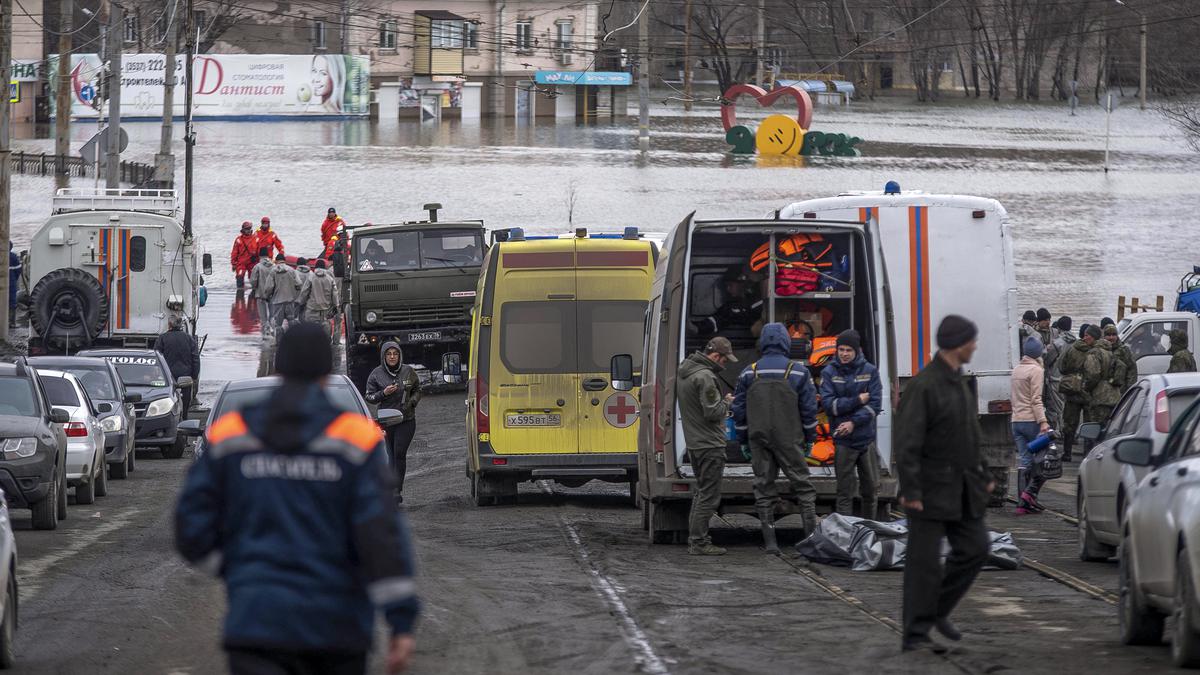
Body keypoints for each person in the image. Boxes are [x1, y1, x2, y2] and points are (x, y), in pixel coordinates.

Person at [174, 324, 418, 675]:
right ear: (325, 373)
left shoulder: (232, 435)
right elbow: (382, 535)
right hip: (337, 629)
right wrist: (401, 621)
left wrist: (237, 569)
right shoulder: (356, 440)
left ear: (279, 369)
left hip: (257, 626)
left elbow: (191, 525)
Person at [896, 315, 992, 655]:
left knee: (976, 548)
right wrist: (910, 490)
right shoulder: (925, 386)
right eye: (972, 340)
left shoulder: (958, 382)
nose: (975, 346)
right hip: (929, 489)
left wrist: (984, 475)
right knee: (923, 564)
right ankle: (915, 635)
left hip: (964, 487)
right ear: (958, 343)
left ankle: (936, 611)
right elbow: (906, 442)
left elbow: (970, 435)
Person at [731, 323, 820, 554]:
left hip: (758, 439)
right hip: (790, 440)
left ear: (763, 343)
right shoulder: (799, 372)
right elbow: (809, 410)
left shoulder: (749, 372)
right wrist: (810, 438)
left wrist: (743, 440)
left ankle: (771, 543)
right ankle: (810, 541)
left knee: (763, 487)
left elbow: (738, 410)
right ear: (785, 342)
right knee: (804, 488)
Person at [677, 336, 737, 556]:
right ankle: (700, 543)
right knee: (709, 496)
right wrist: (727, 402)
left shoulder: (686, 372)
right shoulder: (705, 376)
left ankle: (696, 540)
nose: (725, 363)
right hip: (710, 444)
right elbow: (712, 412)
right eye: (724, 359)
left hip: (695, 443)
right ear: (715, 356)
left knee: (701, 493)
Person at [819, 329, 883, 519]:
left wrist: (853, 422)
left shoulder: (870, 371)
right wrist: (857, 400)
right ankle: (845, 537)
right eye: (841, 350)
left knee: (870, 492)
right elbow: (830, 406)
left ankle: (868, 532)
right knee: (844, 494)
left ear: (858, 351)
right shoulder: (828, 372)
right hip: (843, 443)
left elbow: (875, 405)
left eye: (848, 350)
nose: (844, 354)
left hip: (865, 441)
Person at [364, 342, 422, 503]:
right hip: (387, 421)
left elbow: (418, 389)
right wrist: (383, 393)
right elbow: (368, 397)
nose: (392, 357)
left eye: (395, 354)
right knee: (389, 455)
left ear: (399, 356)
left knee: (399, 453)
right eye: (388, 354)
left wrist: (412, 402)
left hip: (406, 419)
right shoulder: (376, 374)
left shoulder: (408, 371)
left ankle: (397, 489)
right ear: (384, 356)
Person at [1011, 337, 1051, 515]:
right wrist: (1043, 421)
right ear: (1038, 353)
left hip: (1016, 421)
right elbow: (1036, 399)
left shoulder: (1016, 370)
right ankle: (1029, 496)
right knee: (1043, 459)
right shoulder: (1036, 370)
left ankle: (1022, 502)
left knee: (1024, 460)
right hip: (1031, 421)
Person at [1058, 324, 1098, 462]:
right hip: (1088, 392)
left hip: (1072, 390)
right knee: (1088, 424)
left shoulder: (1072, 348)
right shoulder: (1097, 351)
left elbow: (1062, 367)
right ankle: (1086, 454)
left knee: (1069, 423)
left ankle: (1067, 453)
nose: (1087, 337)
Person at [694, 267, 763, 337]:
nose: (728, 289)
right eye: (726, 286)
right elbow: (717, 320)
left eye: (730, 285)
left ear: (742, 283)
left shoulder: (760, 299)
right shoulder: (731, 307)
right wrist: (696, 328)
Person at [154, 314, 200, 413]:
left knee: (167, 399)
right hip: (185, 375)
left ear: (169, 325)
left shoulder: (162, 338)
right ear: (180, 325)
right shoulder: (189, 339)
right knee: (185, 399)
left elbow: (156, 358)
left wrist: (156, 375)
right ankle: (184, 417)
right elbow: (195, 358)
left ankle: (169, 415)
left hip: (168, 375)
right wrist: (194, 376)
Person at [1042, 316, 1074, 437]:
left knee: (1055, 408)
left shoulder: (1057, 343)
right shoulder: (1075, 341)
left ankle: (1057, 432)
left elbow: (1048, 360)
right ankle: (1068, 431)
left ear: (1059, 328)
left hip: (1056, 379)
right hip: (1070, 379)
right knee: (1067, 407)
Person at [1084, 325, 1120, 425]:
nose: (1084, 338)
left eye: (1087, 335)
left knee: (1095, 429)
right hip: (1114, 395)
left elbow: (1093, 375)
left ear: (1093, 337)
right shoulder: (1109, 351)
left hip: (1100, 398)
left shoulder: (1094, 353)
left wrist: (1085, 388)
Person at [299, 259, 339, 339]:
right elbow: (335, 294)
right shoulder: (330, 279)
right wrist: (336, 306)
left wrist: (301, 304)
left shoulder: (311, 278)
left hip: (312, 311)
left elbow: (304, 293)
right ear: (325, 268)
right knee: (325, 337)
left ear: (316, 267)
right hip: (325, 312)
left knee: (310, 336)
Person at [268, 254, 302, 334]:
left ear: (276, 261)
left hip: (277, 301)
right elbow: (299, 283)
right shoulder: (291, 270)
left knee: (278, 324)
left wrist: (268, 296)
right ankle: (292, 338)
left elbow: (269, 287)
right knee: (291, 321)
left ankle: (278, 342)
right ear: (284, 261)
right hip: (290, 301)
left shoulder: (273, 271)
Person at [248, 247, 276, 337]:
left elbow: (253, 280)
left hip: (260, 294)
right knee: (272, 315)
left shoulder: (258, 266)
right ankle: (273, 330)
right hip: (272, 293)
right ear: (268, 255)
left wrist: (254, 288)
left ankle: (265, 332)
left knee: (263, 316)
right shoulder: (273, 266)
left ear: (260, 255)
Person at [1105, 325, 1137, 391]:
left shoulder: (1124, 350)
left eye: (1114, 335)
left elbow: (1132, 370)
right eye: (1108, 335)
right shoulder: (1100, 350)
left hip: (1120, 390)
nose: (1111, 337)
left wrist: (1129, 389)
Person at [230, 222, 258, 289]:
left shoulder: (255, 239)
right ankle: (239, 296)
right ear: (243, 229)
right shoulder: (238, 240)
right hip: (241, 263)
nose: (248, 230)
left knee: (254, 280)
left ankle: (253, 295)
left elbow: (259, 250)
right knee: (239, 278)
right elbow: (234, 252)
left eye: (249, 228)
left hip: (252, 263)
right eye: (246, 229)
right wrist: (233, 263)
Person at [8, 242, 20, 328]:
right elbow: (19, 270)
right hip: (11, 282)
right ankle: (11, 323)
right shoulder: (13, 257)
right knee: (12, 302)